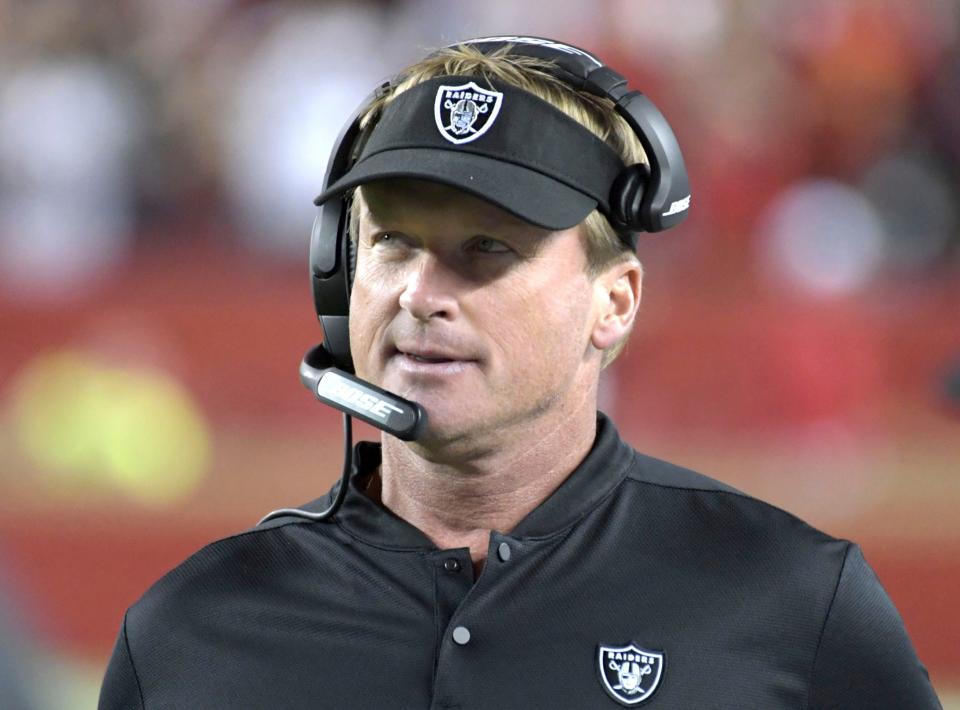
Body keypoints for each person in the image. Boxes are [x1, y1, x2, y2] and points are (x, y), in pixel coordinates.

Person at [99, 37, 942, 709]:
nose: (421, 295)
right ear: (338, 273)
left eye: (487, 250)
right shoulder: (191, 627)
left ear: (613, 303)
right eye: (394, 242)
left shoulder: (794, 603)